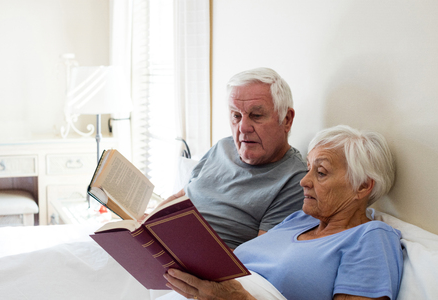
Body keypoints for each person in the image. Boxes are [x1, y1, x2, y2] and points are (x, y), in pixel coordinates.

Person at [162, 125, 404, 300]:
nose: (304, 182)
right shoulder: (299, 220)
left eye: (320, 172)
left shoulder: (371, 238)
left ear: (362, 186)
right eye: (308, 169)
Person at [159, 68, 307, 249]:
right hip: (163, 247)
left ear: (287, 120)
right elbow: (182, 194)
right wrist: (146, 222)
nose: (243, 127)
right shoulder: (223, 147)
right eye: (236, 116)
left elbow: (261, 258)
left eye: (257, 116)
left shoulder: (295, 179)